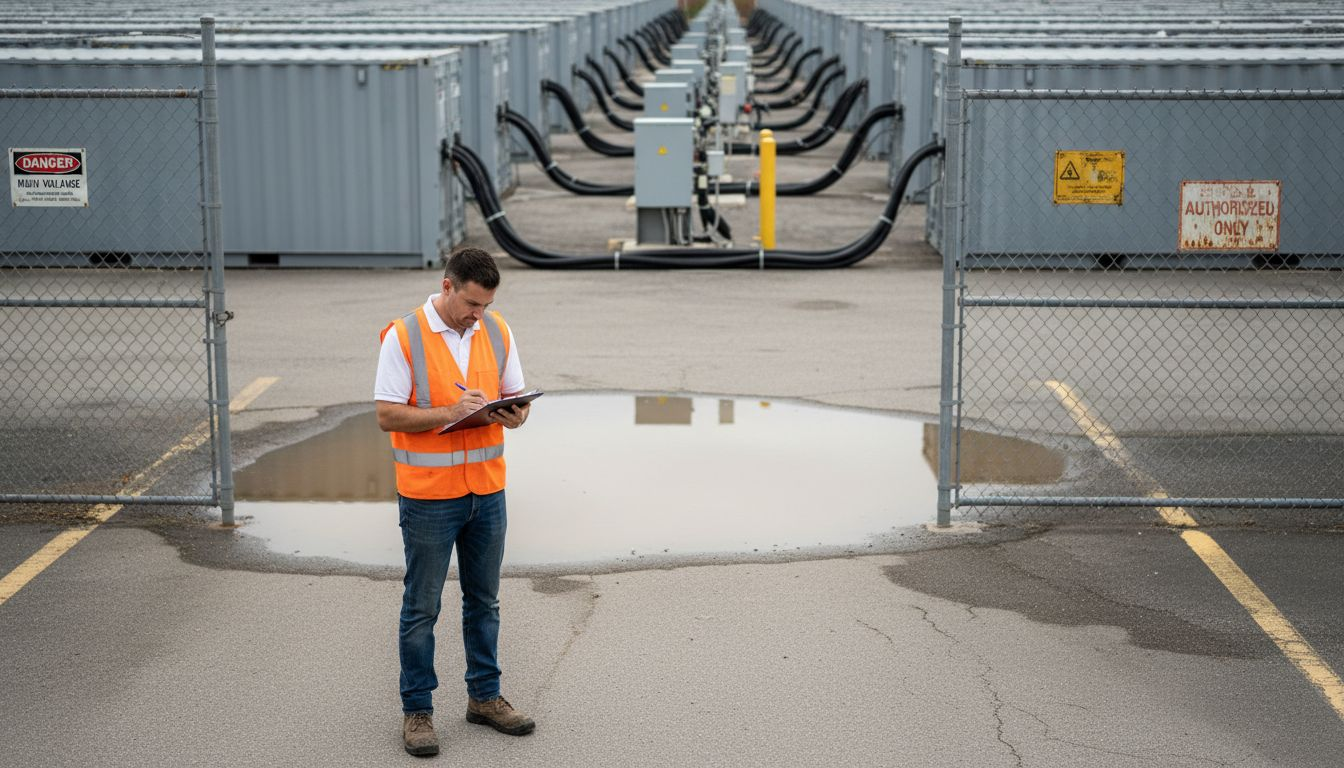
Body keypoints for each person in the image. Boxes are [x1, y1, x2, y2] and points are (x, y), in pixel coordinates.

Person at [374, 247, 535, 757]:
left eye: (485, 305)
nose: (477, 314)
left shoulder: (497, 330)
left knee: (484, 602)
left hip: (486, 490)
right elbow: (387, 415)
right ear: (447, 287)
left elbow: (516, 397)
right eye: (470, 303)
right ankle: (417, 710)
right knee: (422, 607)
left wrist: (515, 415)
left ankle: (484, 698)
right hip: (429, 498)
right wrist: (448, 411)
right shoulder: (403, 336)